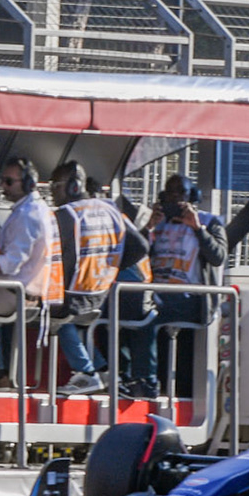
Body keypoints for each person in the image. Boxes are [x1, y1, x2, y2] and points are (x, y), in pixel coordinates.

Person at [51, 161, 148, 395]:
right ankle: (100, 368)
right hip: (100, 292)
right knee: (70, 318)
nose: (52, 192)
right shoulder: (110, 209)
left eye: (56, 186)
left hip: (73, 292)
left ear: (73, 186)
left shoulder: (66, 214)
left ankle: (86, 372)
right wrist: (112, 267)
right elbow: (140, 246)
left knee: (51, 312)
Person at [127, 174, 227, 395]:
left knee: (148, 311)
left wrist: (197, 228)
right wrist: (148, 227)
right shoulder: (157, 221)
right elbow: (133, 254)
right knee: (125, 308)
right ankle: (125, 375)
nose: (175, 198)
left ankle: (147, 382)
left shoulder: (209, 222)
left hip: (192, 297)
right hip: (156, 292)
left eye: (180, 193)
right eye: (170, 193)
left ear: (191, 196)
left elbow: (218, 257)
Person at [0, 158, 64, 387]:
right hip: (23, 291)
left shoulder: (27, 215)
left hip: (14, 293)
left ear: (29, 183)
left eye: (9, 182)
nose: (4, 186)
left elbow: (8, 265)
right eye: (2, 181)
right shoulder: (33, 209)